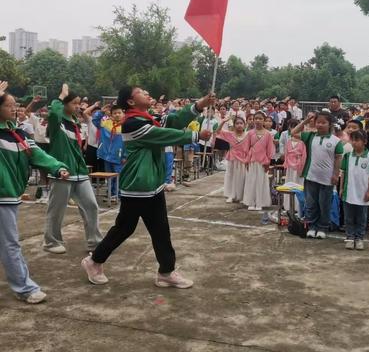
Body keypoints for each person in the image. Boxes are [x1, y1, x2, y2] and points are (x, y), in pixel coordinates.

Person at [81, 87, 214, 288]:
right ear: (131, 102)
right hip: (137, 185)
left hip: (152, 185)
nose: (146, 92)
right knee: (124, 229)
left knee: (159, 230)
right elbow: (163, 134)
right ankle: (94, 261)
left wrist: (200, 104)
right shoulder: (132, 123)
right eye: (141, 91)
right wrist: (195, 136)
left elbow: (173, 120)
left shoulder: (147, 118)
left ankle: (166, 271)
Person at [0, 81, 70, 304]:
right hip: (3, 196)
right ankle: (25, 288)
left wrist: (57, 167)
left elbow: (39, 155)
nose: (15, 109)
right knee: (11, 244)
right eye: (9, 105)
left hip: (10, 195)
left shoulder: (19, 134)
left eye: (16, 105)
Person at [43, 84, 103, 254]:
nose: (78, 106)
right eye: (74, 103)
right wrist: (61, 96)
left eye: (79, 103)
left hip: (80, 173)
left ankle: (95, 243)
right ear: (65, 104)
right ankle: (51, 241)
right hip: (63, 172)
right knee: (57, 209)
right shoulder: (57, 123)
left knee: (91, 205)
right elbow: (54, 112)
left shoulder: (76, 123)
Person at [291, 111, 343, 239]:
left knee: (324, 204)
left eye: (323, 122)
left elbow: (338, 159)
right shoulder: (310, 136)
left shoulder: (336, 141)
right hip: (311, 176)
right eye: (318, 122)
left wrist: (336, 175)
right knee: (311, 203)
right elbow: (293, 133)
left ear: (329, 124)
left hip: (327, 178)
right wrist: (305, 121)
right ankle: (312, 226)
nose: (320, 125)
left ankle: (322, 227)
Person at [340, 130, 369, 250]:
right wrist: (341, 188)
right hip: (349, 192)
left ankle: (359, 237)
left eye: (357, 140)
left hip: (362, 193)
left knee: (361, 217)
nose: (354, 143)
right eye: (353, 140)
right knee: (349, 217)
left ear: (365, 142)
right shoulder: (347, 156)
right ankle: (350, 237)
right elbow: (343, 173)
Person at [243, 112, 275, 211]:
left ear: (264, 121)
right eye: (255, 118)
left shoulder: (268, 134)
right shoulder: (250, 133)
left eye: (260, 119)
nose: (257, 120)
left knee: (261, 181)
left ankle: (260, 202)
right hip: (252, 160)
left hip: (263, 161)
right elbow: (246, 148)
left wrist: (268, 162)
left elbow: (270, 149)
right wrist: (246, 161)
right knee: (251, 181)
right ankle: (251, 202)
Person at [92, 104, 126, 199]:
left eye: (119, 113)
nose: (117, 115)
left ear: (123, 114)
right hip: (106, 155)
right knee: (109, 175)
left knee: (119, 175)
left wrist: (125, 156)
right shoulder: (105, 123)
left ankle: (118, 193)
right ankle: (111, 193)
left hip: (118, 156)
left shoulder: (126, 126)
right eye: (115, 113)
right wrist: (101, 112)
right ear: (111, 115)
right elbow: (95, 120)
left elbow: (128, 143)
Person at [216, 116, 249, 203]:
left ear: (245, 125)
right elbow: (218, 131)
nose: (239, 125)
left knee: (243, 177)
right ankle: (231, 195)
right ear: (234, 125)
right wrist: (223, 121)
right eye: (237, 123)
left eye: (241, 123)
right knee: (231, 176)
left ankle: (242, 196)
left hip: (243, 159)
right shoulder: (230, 134)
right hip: (232, 158)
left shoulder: (248, 135)